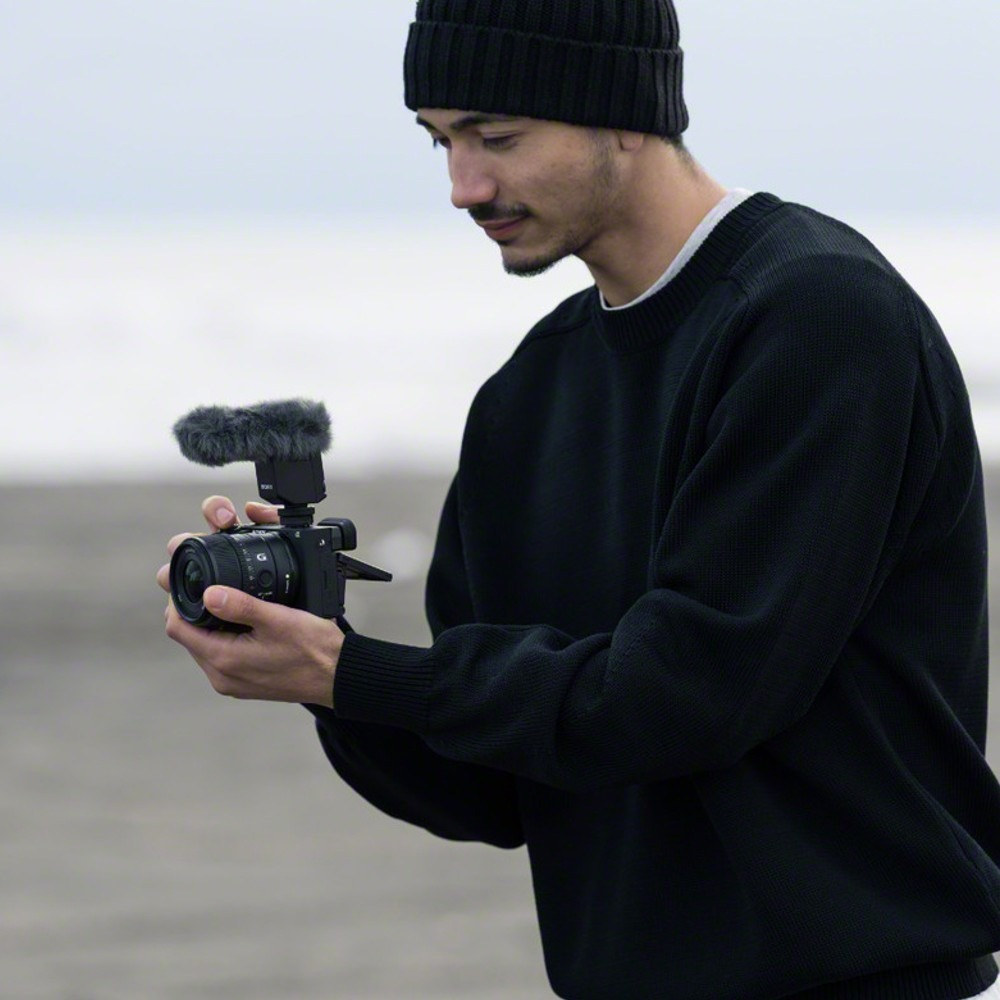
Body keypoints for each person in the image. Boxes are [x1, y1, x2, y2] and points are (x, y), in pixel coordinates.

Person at [158, 1, 1000, 997]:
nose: (464, 186)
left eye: (496, 136)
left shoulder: (816, 318)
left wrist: (363, 675)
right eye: (440, 140)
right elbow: (489, 786)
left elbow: (688, 692)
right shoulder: (527, 394)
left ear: (623, 110)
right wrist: (313, 653)